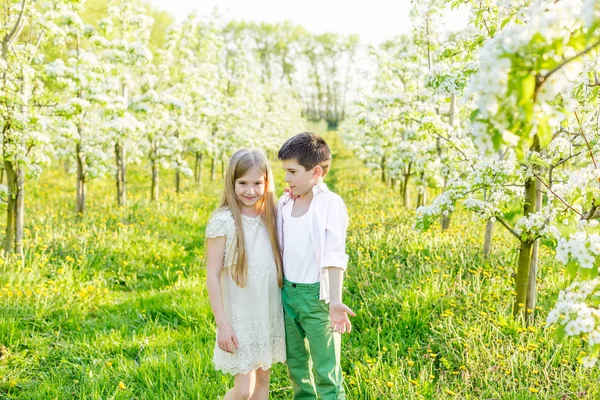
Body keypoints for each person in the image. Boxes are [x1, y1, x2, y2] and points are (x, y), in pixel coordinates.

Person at [277, 132, 355, 400]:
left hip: (316, 298)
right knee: (296, 366)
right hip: (288, 294)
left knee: (326, 369)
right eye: (285, 171)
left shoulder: (329, 204)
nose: (286, 178)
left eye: (292, 171)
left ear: (316, 172)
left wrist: (335, 301)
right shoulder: (285, 202)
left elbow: (334, 256)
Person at [205, 148, 286, 400]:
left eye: (257, 183)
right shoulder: (224, 220)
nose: (250, 191)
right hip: (240, 317)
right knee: (243, 390)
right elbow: (212, 275)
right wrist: (223, 324)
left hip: (267, 311)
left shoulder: (270, 217)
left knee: (263, 380)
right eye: (243, 183)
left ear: (267, 183)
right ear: (232, 182)